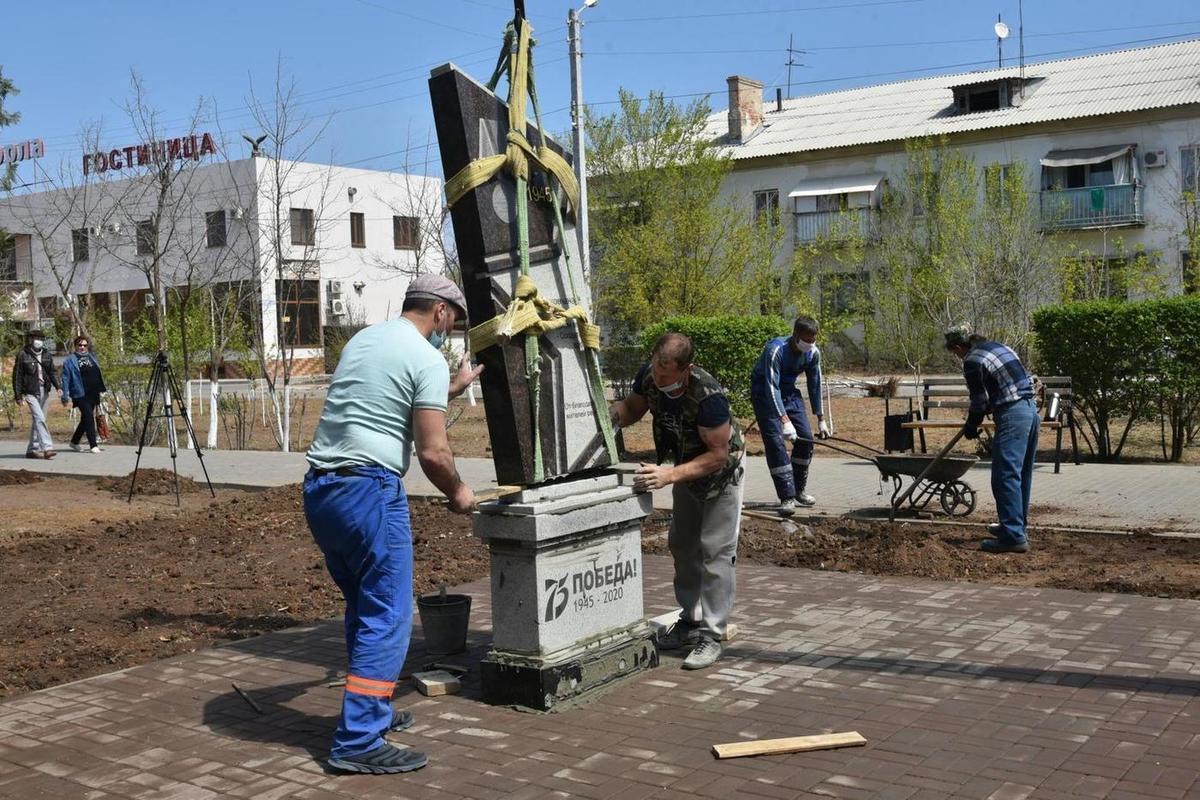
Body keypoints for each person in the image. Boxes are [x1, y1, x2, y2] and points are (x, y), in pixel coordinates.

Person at [303, 274, 482, 775]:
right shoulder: (426, 356)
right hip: (369, 492)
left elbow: (386, 395)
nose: (452, 332)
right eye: (455, 322)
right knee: (389, 614)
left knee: (364, 606)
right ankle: (358, 741)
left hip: (323, 490)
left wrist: (452, 387)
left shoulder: (368, 339)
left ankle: (373, 711)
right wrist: (459, 493)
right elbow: (433, 451)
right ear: (442, 312)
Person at [609, 333, 745, 671]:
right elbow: (632, 409)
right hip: (683, 469)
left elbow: (717, 455)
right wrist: (608, 418)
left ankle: (712, 635)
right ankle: (689, 621)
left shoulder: (708, 396)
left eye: (667, 373)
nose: (659, 377)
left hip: (720, 476)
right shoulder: (650, 376)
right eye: (656, 367)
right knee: (683, 546)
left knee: (716, 551)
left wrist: (669, 475)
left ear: (687, 369)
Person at [944, 325, 1038, 554]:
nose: (957, 355)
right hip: (1031, 412)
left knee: (1004, 476)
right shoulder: (1001, 347)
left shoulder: (972, 360)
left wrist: (971, 426)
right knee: (1019, 475)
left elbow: (979, 403)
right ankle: (1015, 527)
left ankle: (1013, 537)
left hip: (1012, 414)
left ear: (958, 347)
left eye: (954, 352)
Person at [750, 316, 830, 516]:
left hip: (789, 394)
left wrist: (821, 419)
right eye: (806, 340)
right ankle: (786, 496)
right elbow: (771, 387)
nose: (809, 344)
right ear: (795, 335)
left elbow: (815, 384)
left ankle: (798, 490)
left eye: (813, 341)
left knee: (806, 440)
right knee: (776, 443)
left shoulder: (812, 354)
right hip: (764, 394)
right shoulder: (775, 350)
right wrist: (784, 420)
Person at [11, 329, 60, 460]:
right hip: (30, 392)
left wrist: (58, 387)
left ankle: (32, 450)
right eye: (35, 338)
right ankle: (47, 448)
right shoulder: (23, 354)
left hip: (44, 390)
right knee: (40, 418)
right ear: (30, 339)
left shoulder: (46, 354)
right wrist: (18, 395)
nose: (38, 341)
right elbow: (17, 376)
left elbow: (52, 372)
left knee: (38, 420)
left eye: (40, 338)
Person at [60, 335, 107, 453]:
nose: (82, 347)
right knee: (89, 417)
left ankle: (74, 442)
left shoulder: (92, 357)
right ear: (75, 346)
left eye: (85, 345)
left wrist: (101, 389)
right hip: (80, 393)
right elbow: (65, 379)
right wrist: (64, 396)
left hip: (93, 392)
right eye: (80, 345)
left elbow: (98, 373)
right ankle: (93, 445)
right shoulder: (70, 360)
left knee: (86, 418)